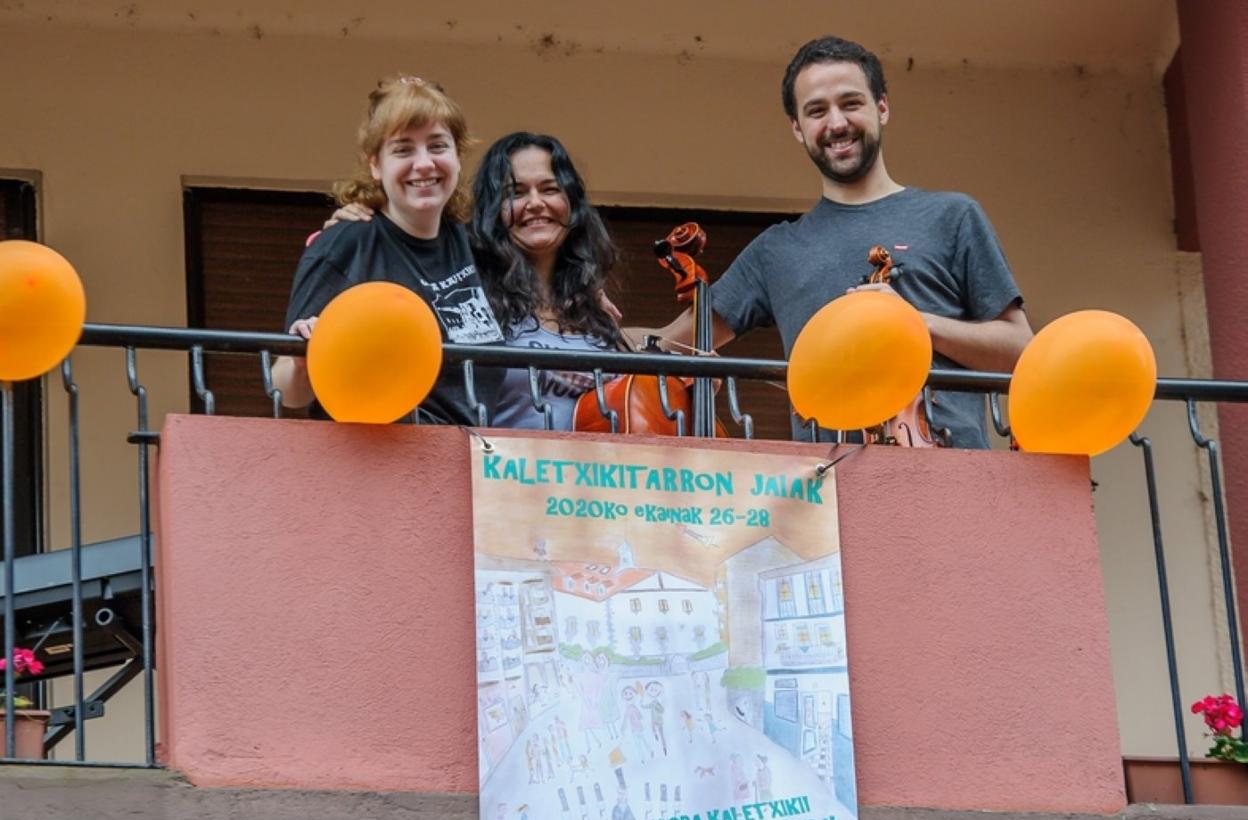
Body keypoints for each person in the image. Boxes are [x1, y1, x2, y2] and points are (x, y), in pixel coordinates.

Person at [637, 35, 1033, 448]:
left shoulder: (952, 216)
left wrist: (916, 324)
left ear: (882, 107)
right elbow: (669, 342)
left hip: (949, 470)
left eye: (851, 103)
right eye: (816, 111)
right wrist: (591, 322)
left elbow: (1022, 350)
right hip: (828, 479)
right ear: (797, 128)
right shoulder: (777, 250)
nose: (837, 123)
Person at [323, 130, 628, 429]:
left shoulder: (593, 309)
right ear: (493, 211)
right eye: (516, 193)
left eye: (550, 189)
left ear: (572, 202)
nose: (535, 202)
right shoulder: (468, 291)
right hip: (488, 461)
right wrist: (359, 231)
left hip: (590, 463)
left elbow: (640, 362)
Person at [274, 76, 506, 423]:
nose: (424, 163)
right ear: (375, 165)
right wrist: (300, 360)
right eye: (403, 149)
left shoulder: (475, 244)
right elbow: (287, 392)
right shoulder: (345, 245)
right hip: (376, 454)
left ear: (458, 157)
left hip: (468, 451)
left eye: (437, 146)